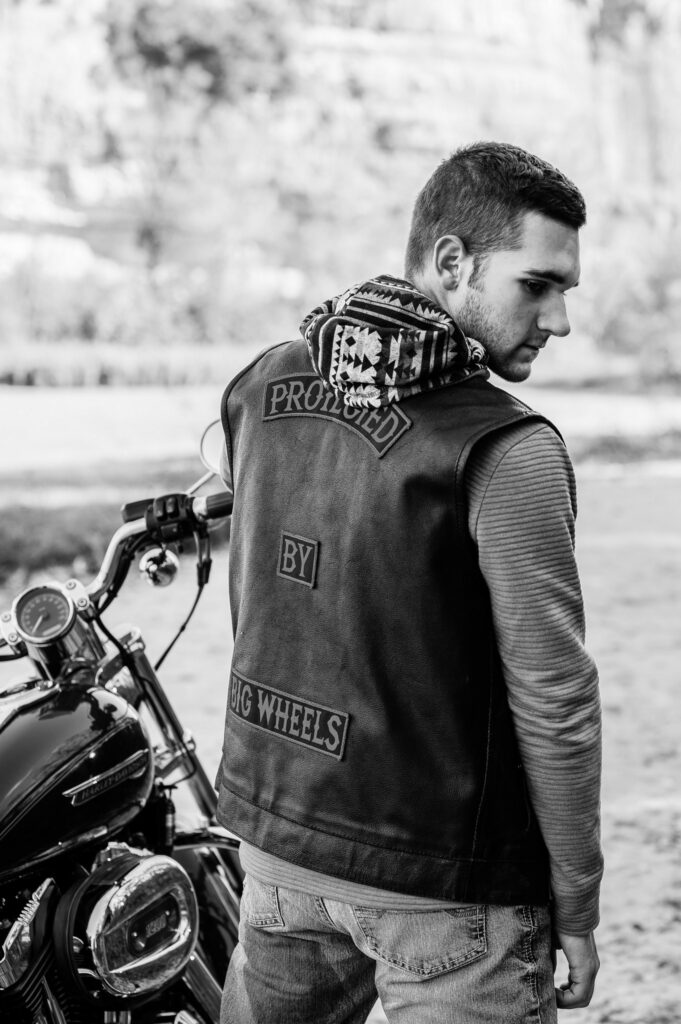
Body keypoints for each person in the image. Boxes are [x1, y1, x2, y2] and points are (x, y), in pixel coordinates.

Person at [215, 141, 603, 1024]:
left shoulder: (263, 382)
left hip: (278, 861)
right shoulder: (505, 449)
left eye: (565, 292)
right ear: (450, 261)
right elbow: (555, 698)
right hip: (445, 890)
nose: (558, 320)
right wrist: (575, 903)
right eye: (536, 285)